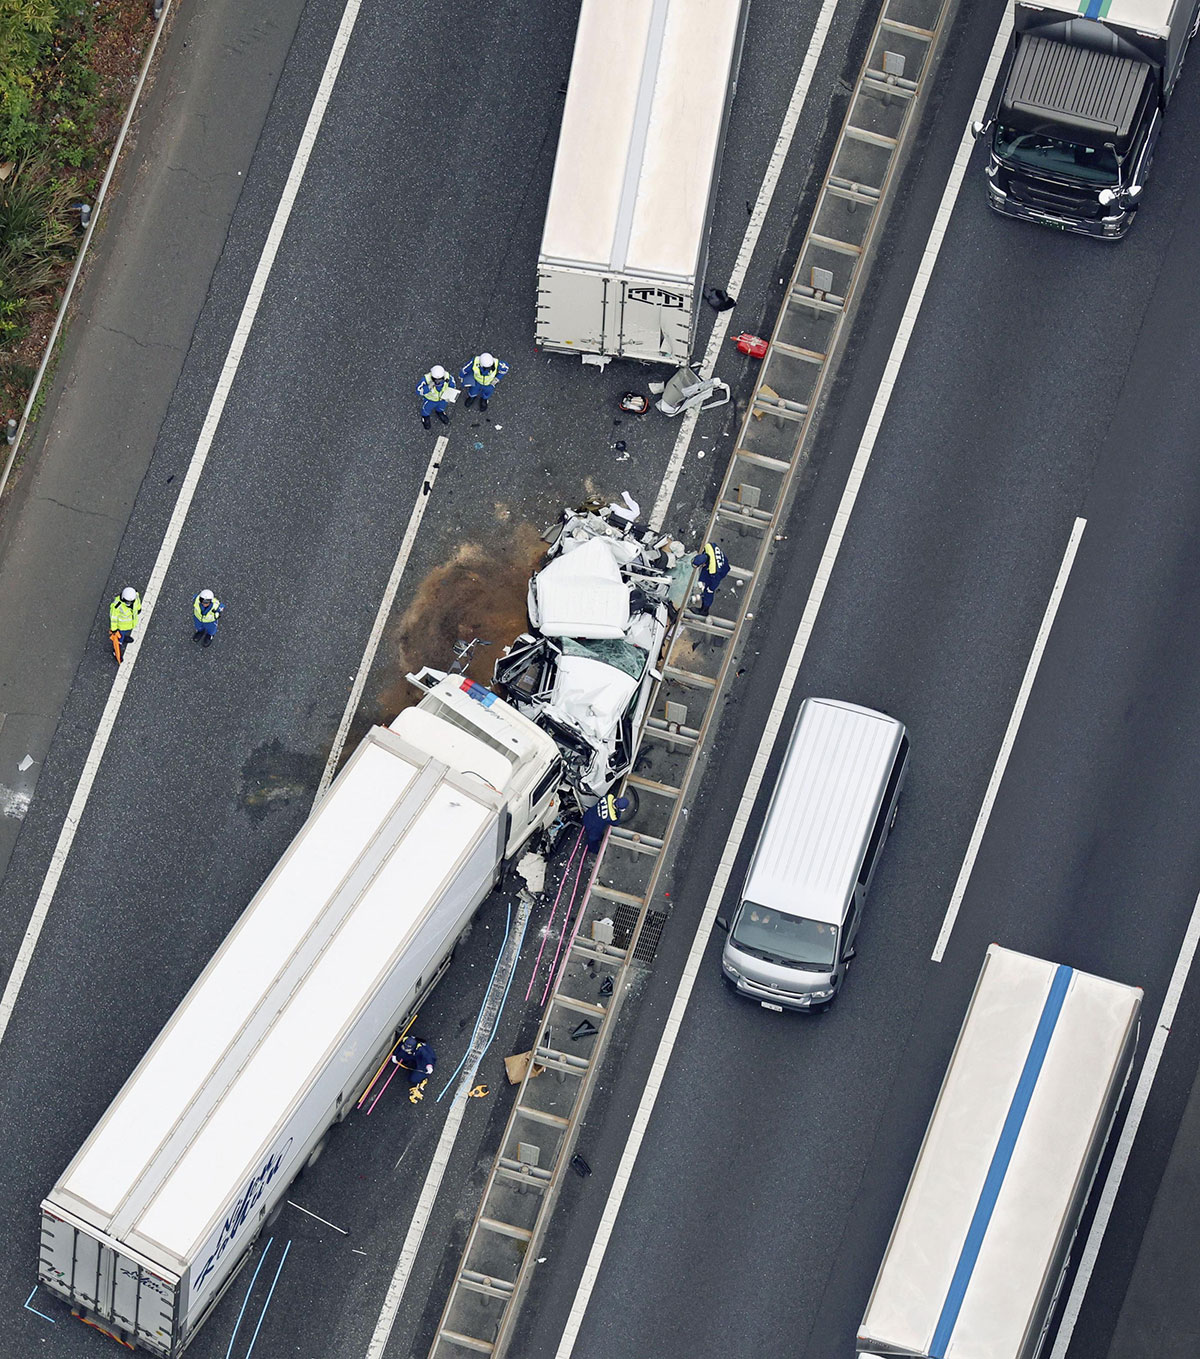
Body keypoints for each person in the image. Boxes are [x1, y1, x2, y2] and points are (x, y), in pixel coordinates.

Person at [691, 542, 730, 615]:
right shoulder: (709, 547)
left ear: (704, 564)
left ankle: (704, 610)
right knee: (702, 578)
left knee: (708, 592)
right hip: (721, 561)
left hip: (722, 569)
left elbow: (716, 581)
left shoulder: (714, 571)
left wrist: (711, 588)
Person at [108, 587, 142, 662]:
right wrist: (114, 629)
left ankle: (123, 638)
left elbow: (138, 602)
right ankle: (116, 652)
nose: (128, 604)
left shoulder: (135, 597)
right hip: (121, 627)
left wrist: (139, 608)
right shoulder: (117, 606)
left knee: (123, 634)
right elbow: (113, 618)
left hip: (130, 624)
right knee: (118, 640)